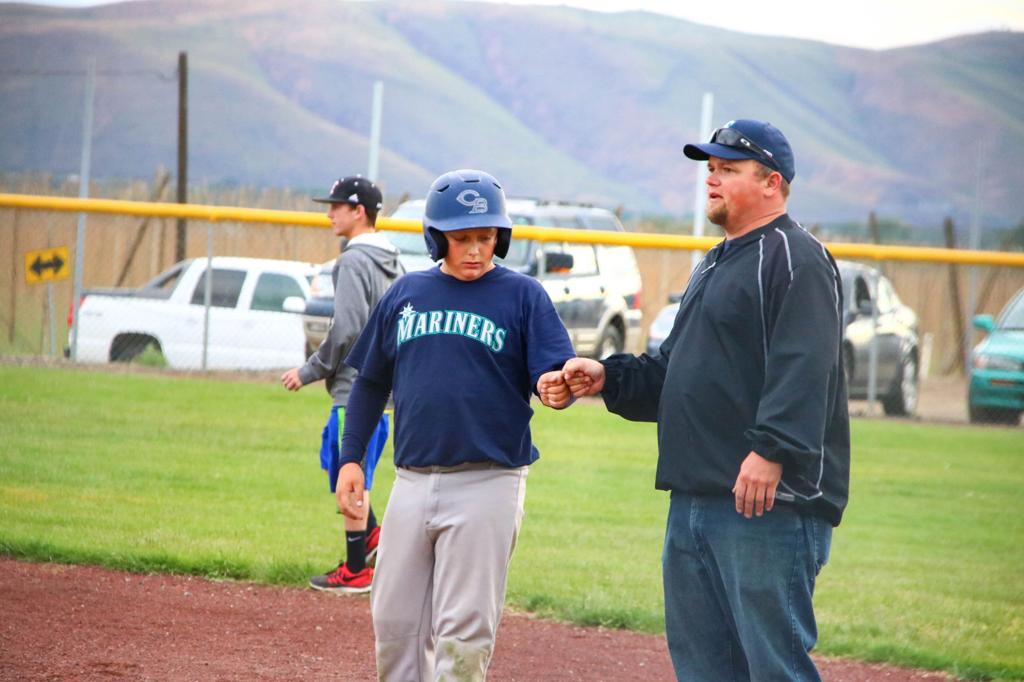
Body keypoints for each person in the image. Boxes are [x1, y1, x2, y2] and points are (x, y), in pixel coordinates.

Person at [549, 119, 850, 681]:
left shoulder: (795, 256)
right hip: (695, 496)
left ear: (771, 183)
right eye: (709, 168)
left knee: (773, 668)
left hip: (766, 502)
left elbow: (807, 366)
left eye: (727, 169)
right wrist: (607, 378)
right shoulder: (716, 260)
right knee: (705, 669)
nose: (710, 179)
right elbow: (675, 371)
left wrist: (773, 451)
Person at [334, 169, 575, 680]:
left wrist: (554, 388)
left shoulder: (523, 296)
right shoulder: (406, 294)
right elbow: (371, 383)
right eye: (461, 237)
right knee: (394, 623)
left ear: (500, 237)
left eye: (485, 237)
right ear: (435, 237)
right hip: (412, 481)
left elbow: (549, 374)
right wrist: (351, 458)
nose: (474, 250)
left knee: (462, 637)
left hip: (488, 480)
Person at [281, 175, 404, 594]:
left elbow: (348, 327)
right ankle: (370, 540)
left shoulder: (352, 261)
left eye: (337, 205)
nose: (329, 212)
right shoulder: (395, 260)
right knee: (350, 473)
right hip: (385, 388)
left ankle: (356, 570)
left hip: (355, 388)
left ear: (359, 212)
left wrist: (311, 369)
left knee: (349, 478)